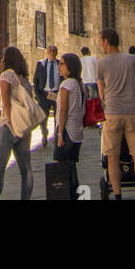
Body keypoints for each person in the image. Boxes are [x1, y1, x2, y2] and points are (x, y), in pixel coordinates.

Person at [97, 29, 135, 201]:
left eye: (100, 41)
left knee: (112, 157)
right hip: (133, 111)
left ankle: (117, 194)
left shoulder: (102, 64)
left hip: (112, 112)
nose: (100, 45)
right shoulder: (133, 60)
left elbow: (102, 94)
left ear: (106, 41)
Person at [0, 45, 35, 201]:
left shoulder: (7, 75)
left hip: (9, 127)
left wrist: (11, 125)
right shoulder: (25, 80)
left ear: (6, 59)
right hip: (24, 128)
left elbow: (6, 103)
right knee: (26, 170)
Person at [55, 52, 86, 200]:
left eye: (62, 64)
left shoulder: (66, 84)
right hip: (77, 131)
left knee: (61, 167)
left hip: (66, 130)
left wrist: (60, 133)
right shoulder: (80, 85)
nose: (59, 67)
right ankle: (77, 196)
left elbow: (64, 110)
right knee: (72, 167)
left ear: (70, 66)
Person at [33, 44, 61, 144]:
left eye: (54, 51)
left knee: (57, 116)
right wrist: (38, 95)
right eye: (50, 51)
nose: (52, 53)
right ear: (47, 52)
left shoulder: (60, 64)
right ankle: (44, 133)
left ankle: (56, 135)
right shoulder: (41, 64)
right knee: (43, 117)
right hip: (44, 94)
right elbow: (35, 80)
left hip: (56, 94)